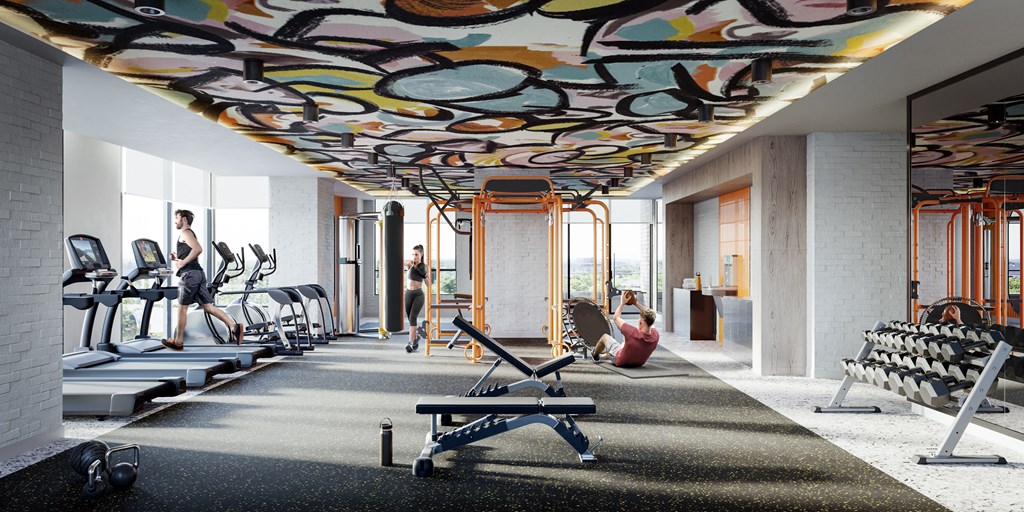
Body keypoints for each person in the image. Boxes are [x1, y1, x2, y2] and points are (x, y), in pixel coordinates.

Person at [162, 209, 244, 350]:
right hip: (198, 273)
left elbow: (198, 249)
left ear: (184, 220)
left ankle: (178, 341)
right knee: (208, 307)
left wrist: (181, 263)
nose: (175, 221)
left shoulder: (185, 233)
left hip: (189, 275)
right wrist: (178, 258)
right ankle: (234, 326)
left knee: (182, 309)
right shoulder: (189, 234)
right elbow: (192, 252)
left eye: (177, 218)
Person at [592, 290, 659, 367]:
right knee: (625, 337)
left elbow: (616, 317)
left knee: (605, 337)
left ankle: (595, 355)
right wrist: (635, 303)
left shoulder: (631, 332)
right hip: (640, 362)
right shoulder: (656, 335)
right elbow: (650, 315)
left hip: (620, 360)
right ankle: (609, 352)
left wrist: (622, 303)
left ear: (640, 322)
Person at [404, 244, 431, 352]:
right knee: (410, 319)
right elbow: (400, 260)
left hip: (418, 294)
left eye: (416, 254)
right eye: (413, 254)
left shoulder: (425, 267)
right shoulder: (410, 264)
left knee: (412, 318)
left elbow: (428, 284)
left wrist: (424, 275)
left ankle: (410, 343)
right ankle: (415, 338)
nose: (414, 256)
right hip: (408, 294)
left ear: (421, 254)